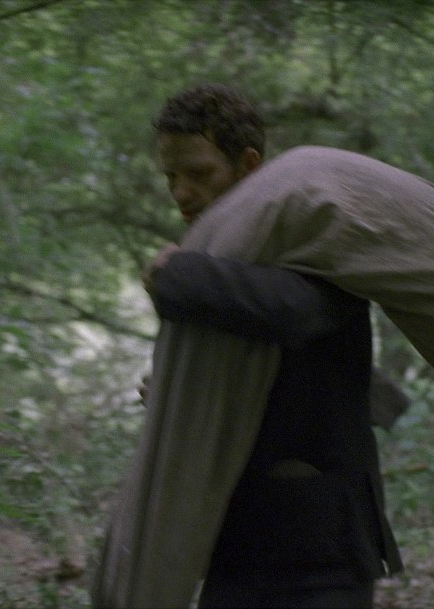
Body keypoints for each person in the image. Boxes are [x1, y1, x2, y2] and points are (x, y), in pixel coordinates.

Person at [141, 84, 403, 609]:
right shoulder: (221, 257)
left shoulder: (316, 234)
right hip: (236, 545)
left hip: (322, 553)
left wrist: (176, 275)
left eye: (198, 173)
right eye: (171, 177)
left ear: (248, 165)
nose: (181, 193)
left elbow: (295, 309)